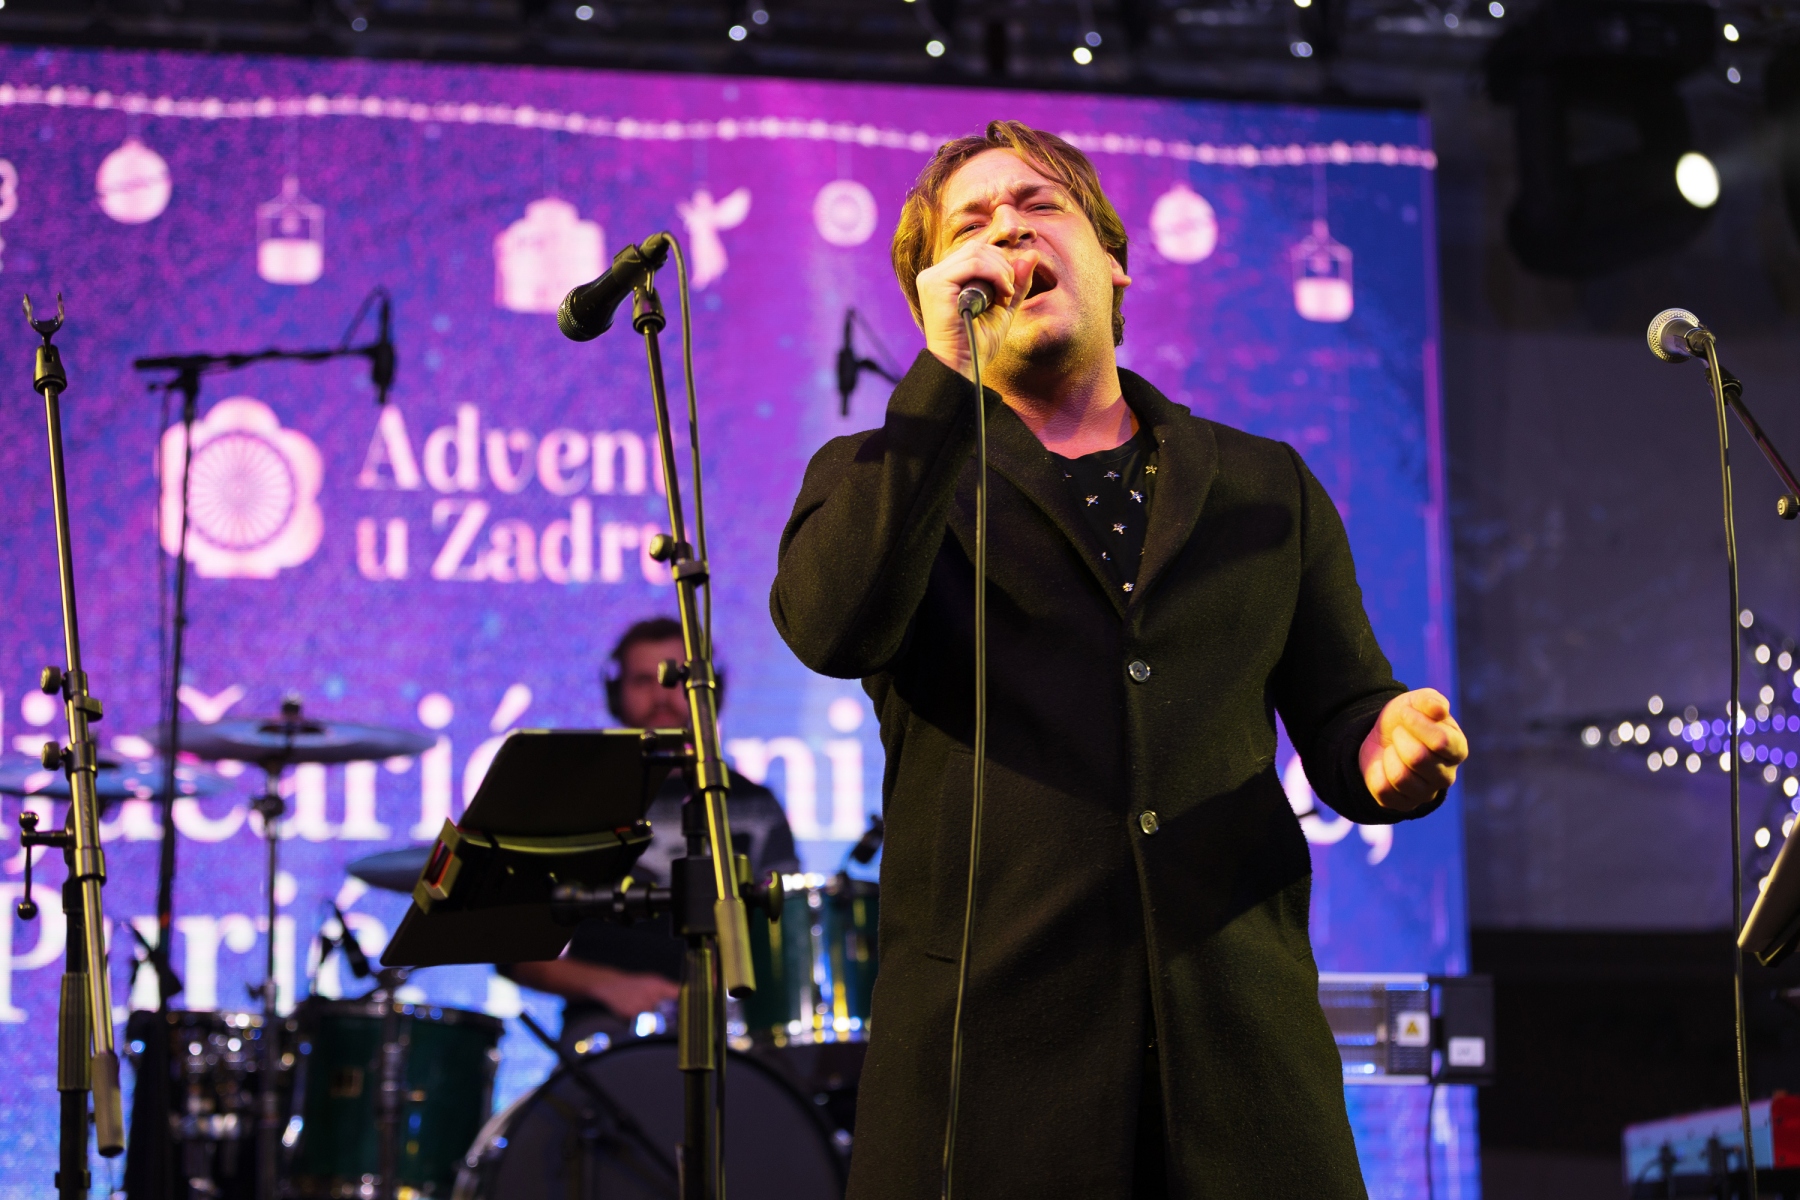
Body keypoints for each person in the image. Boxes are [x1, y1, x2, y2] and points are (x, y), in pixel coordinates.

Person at [769, 121, 1468, 1199]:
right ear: (932, 296)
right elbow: (831, 629)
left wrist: (1383, 749)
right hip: (990, 1080)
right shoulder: (880, 478)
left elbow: (1345, 711)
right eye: (972, 226)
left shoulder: (1262, 485)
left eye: (1039, 207)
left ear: (1114, 263)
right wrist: (942, 376)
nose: (1009, 232)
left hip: (1243, 1067)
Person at [507, 616, 798, 1054]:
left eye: (676, 679)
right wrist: (610, 986)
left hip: (734, 1028)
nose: (661, 695)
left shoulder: (757, 805)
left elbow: (788, 934)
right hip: (606, 1031)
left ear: (710, 691)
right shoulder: (574, 804)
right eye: (643, 680)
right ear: (615, 694)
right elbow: (516, 954)